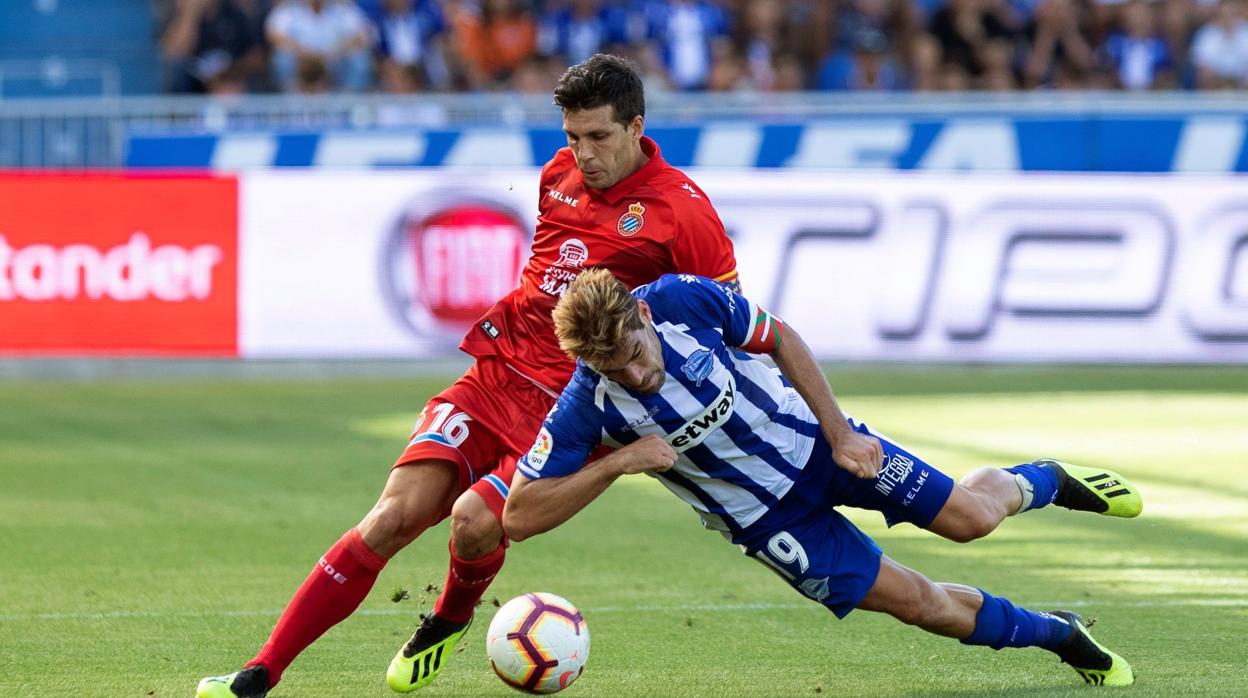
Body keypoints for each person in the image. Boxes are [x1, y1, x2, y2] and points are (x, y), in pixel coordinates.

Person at [196, 54, 740, 698]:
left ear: (636, 127)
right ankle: (262, 672)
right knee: (392, 516)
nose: (583, 153)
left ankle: (450, 619)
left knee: (474, 520)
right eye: (572, 136)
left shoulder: (683, 211)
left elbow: (725, 318)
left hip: (575, 405)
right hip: (496, 375)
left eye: (598, 137)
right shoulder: (557, 175)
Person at [503, 269, 1142, 688]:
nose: (636, 377)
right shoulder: (587, 404)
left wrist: (839, 431)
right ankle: (1059, 632)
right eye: (615, 371)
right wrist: (617, 462)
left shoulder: (679, 300)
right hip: (772, 525)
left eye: (637, 357)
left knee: (972, 520)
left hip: (816, 445)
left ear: (641, 315)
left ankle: (1049, 480)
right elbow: (520, 516)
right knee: (921, 605)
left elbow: (779, 337)